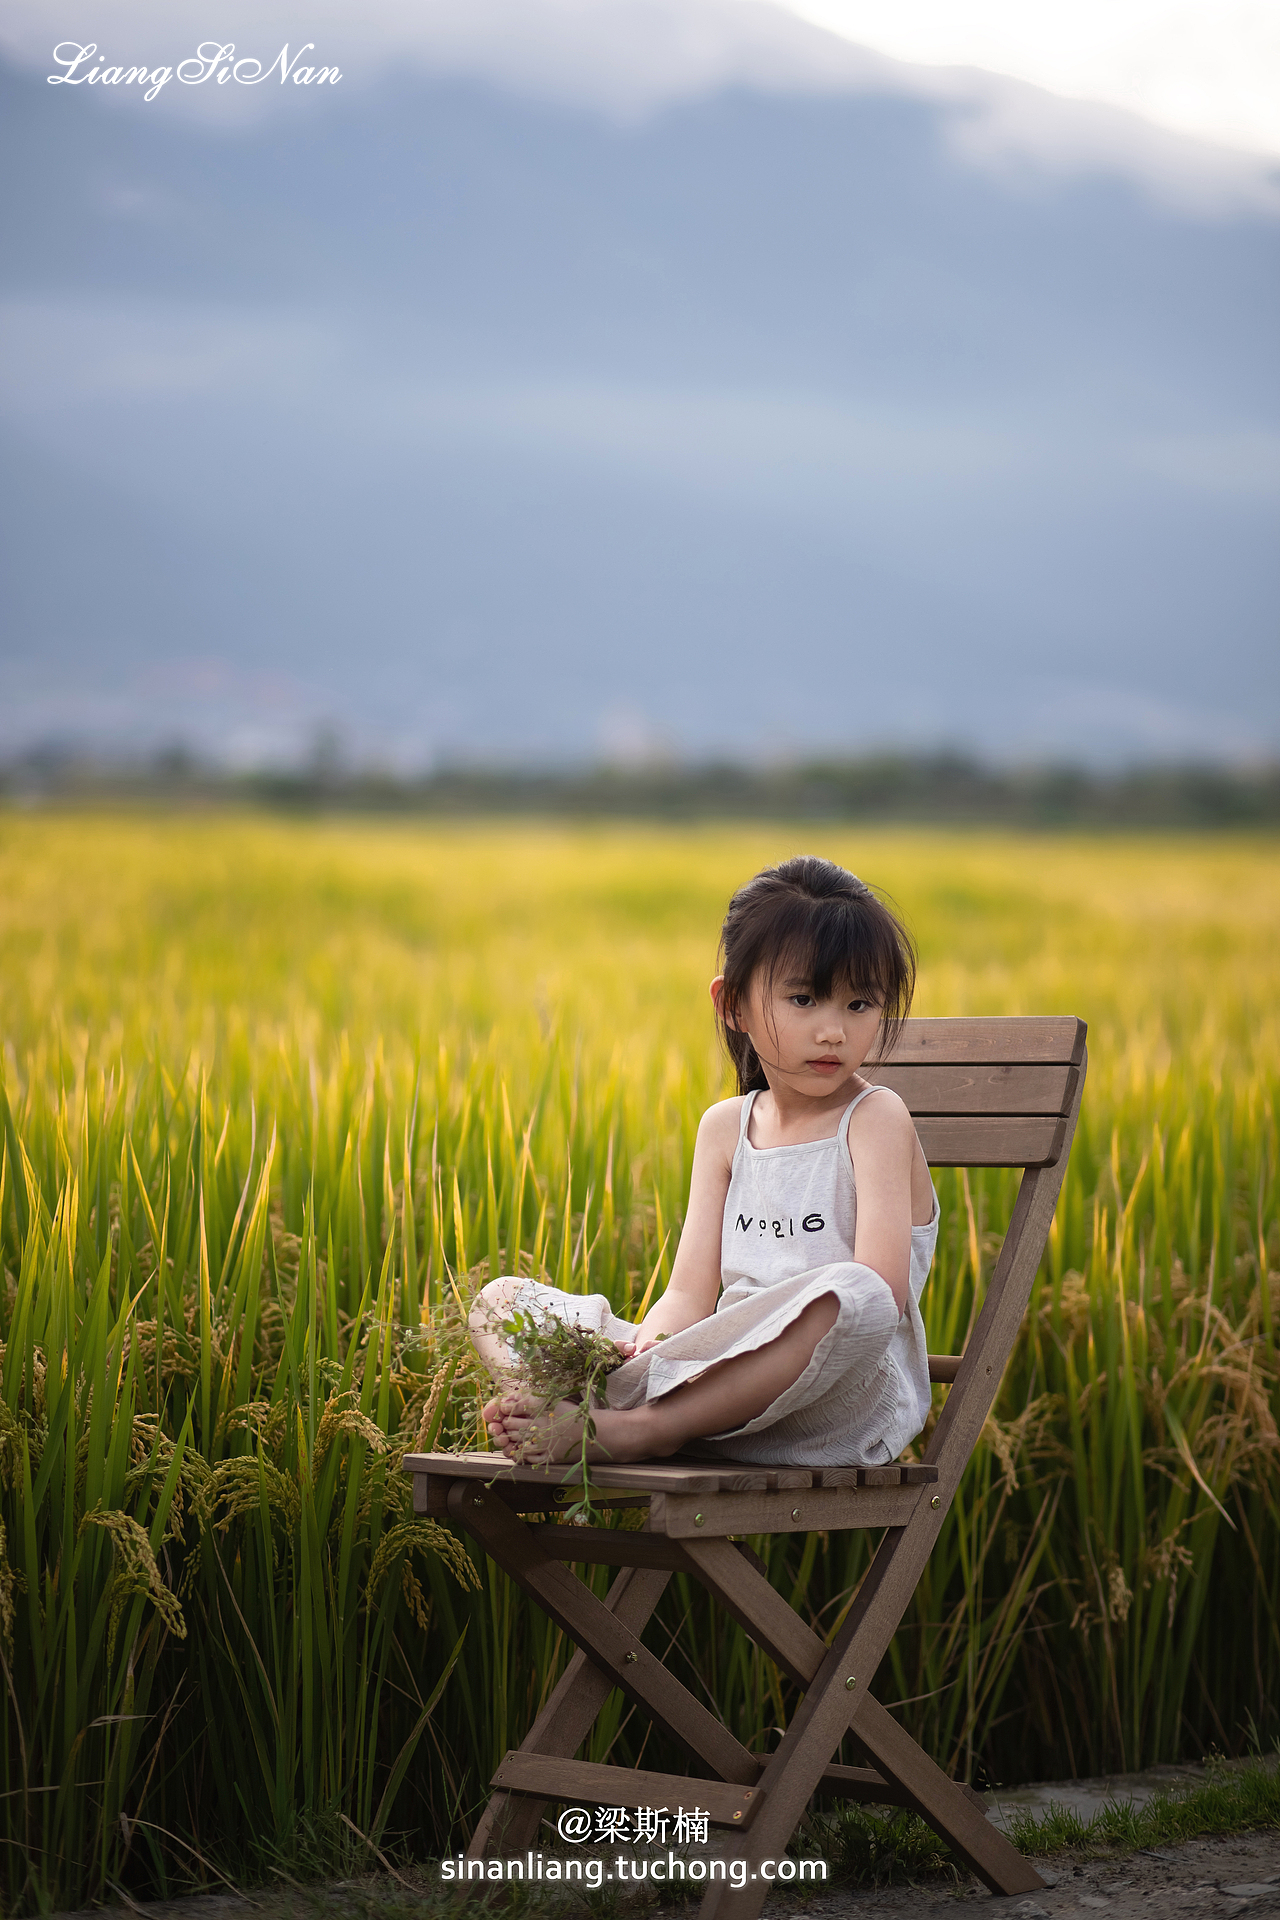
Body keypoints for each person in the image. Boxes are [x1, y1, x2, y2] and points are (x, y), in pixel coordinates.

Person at [470, 855, 938, 1468]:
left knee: (860, 1291)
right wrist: (651, 1346)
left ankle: (645, 1430)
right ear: (733, 1006)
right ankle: (559, 1409)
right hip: (712, 1383)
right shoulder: (724, 1128)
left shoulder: (875, 1119)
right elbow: (689, 1294)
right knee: (500, 1301)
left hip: (829, 1401)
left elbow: (883, 1298)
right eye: (804, 999)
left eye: (859, 1005)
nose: (834, 1031)